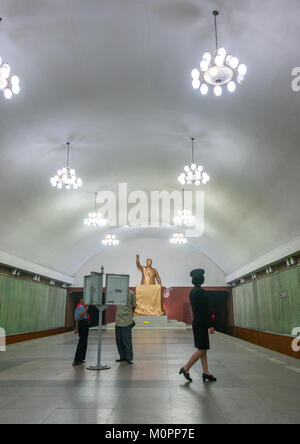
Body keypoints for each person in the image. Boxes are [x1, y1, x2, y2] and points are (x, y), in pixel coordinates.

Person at [180, 269, 217, 383]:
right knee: (202, 349)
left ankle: (206, 372)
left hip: (196, 322)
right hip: (202, 323)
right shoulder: (202, 293)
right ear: (202, 279)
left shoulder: (192, 292)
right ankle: (186, 368)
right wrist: (211, 324)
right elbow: (207, 310)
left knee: (203, 348)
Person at [115, 289, 136, 365]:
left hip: (126, 320)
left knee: (126, 340)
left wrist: (130, 315)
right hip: (118, 320)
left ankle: (129, 358)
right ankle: (122, 357)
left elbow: (134, 306)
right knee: (119, 340)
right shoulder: (118, 292)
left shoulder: (131, 293)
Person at [73, 298, 90, 366]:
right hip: (83, 324)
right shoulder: (80, 307)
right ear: (80, 300)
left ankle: (81, 358)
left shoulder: (81, 307)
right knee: (82, 342)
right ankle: (76, 359)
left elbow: (77, 319)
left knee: (84, 341)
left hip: (83, 324)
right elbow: (79, 316)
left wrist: (76, 327)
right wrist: (86, 309)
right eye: (83, 299)